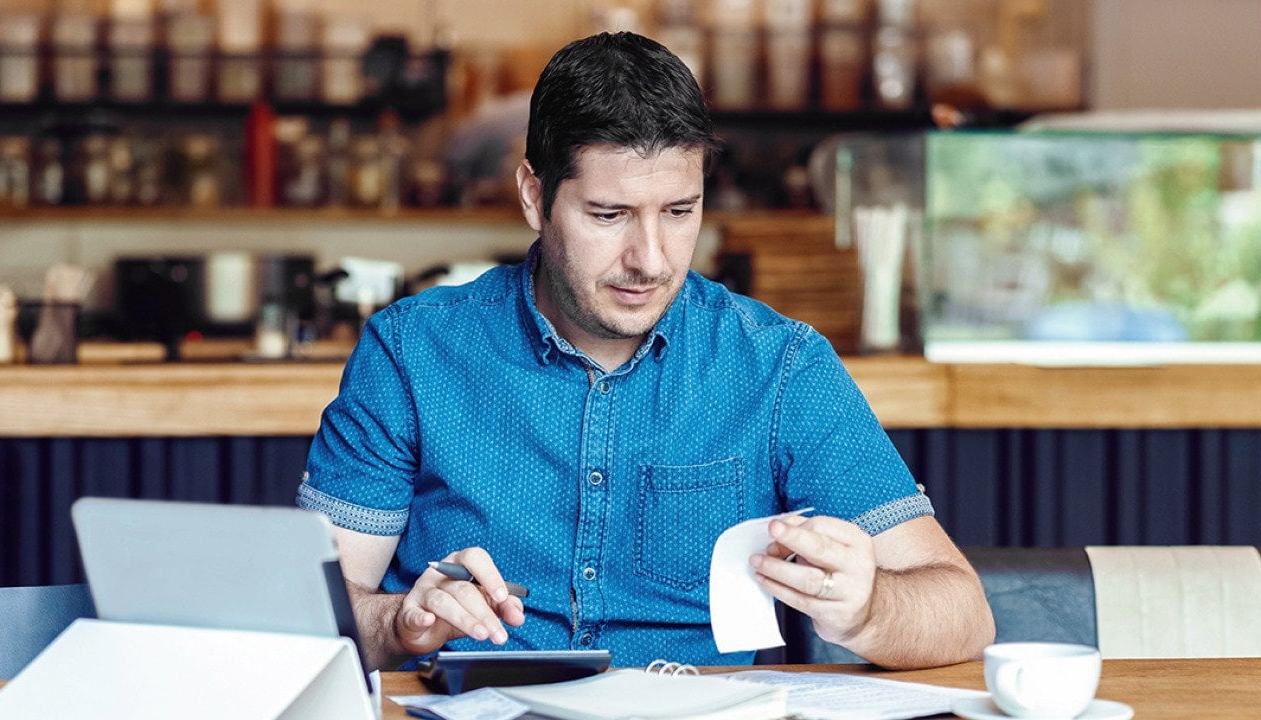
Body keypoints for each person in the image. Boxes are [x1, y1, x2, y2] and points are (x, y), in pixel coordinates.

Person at [297, 31, 994, 672]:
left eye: (679, 212)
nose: (651, 260)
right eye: (609, 216)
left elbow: (963, 613)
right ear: (534, 197)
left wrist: (871, 610)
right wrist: (400, 623)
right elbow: (305, 612)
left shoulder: (778, 367)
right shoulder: (412, 353)